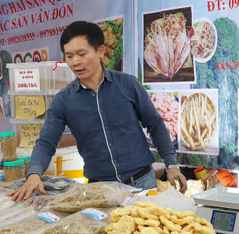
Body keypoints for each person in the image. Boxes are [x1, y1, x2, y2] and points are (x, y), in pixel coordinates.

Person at [12, 21, 186, 201]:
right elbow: (46, 142)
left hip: (142, 182)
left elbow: (155, 124)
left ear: (100, 51)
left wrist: (171, 164)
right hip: (100, 189)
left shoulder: (127, 84)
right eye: (69, 56)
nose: (75, 62)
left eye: (82, 54)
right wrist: (34, 174)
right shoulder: (63, 100)